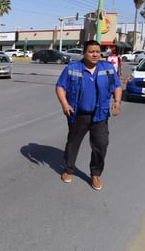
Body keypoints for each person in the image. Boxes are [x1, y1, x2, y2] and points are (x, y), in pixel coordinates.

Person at [55, 40, 122, 191]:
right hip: (78, 114)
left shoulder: (108, 68)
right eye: (91, 51)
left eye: (97, 51)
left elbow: (117, 86)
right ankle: (68, 169)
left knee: (101, 144)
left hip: (100, 114)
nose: (95, 54)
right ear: (84, 53)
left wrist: (117, 101)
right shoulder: (73, 68)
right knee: (73, 143)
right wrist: (65, 104)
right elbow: (60, 86)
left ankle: (95, 174)